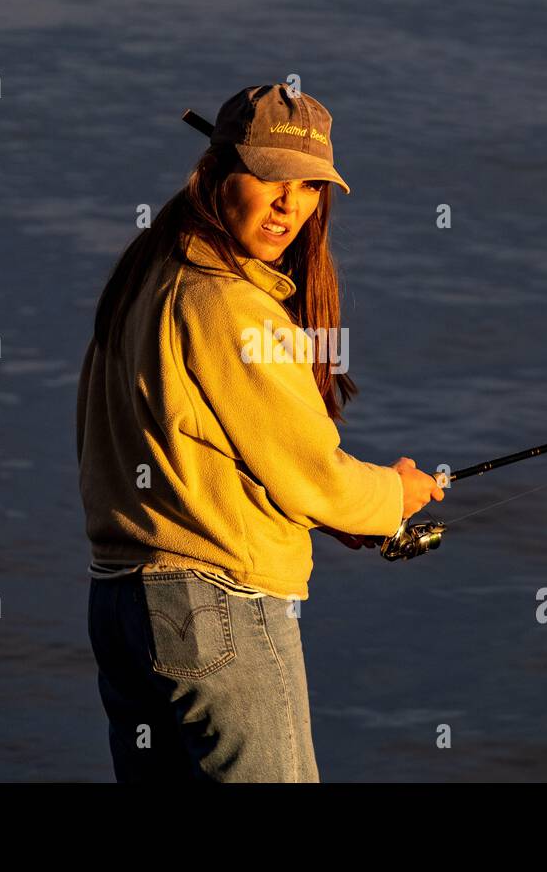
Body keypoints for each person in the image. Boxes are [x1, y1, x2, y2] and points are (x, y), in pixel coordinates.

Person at [77, 83, 444, 782]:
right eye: (269, 177)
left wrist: (336, 513)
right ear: (216, 175)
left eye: (309, 186)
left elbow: (195, 453)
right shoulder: (230, 304)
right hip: (214, 609)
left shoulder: (147, 274)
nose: (290, 204)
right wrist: (393, 498)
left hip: (122, 605)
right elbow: (315, 475)